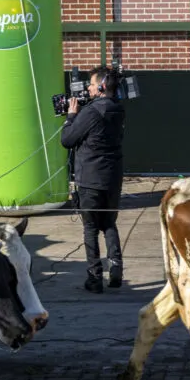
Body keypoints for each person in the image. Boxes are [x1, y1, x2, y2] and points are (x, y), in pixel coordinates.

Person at [60, 65, 127, 294]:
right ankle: (116, 269)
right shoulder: (118, 109)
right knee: (108, 223)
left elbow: (67, 140)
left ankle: (95, 277)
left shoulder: (91, 112)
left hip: (90, 178)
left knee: (90, 228)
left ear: (101, 86)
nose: (87, 88)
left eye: (90, 84)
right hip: (112, 178)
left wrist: (70, 117)